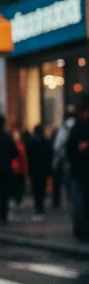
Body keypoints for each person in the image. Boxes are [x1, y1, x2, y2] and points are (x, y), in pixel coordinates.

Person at [65, 97, 89, 241]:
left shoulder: (77, 127)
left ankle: (82, 230)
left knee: (80, 203)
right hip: (80, 172)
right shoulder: (78, 127)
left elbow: (69, 151)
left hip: (79, 172)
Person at [25, 125, 52, 216]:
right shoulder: (46, 141)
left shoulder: (31, 142)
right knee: (42, 187)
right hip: (43, 168)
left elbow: (28, 155)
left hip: (34, 167)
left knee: (36, 188)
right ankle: (40, 205)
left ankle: (37, 205)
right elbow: (50, 154)